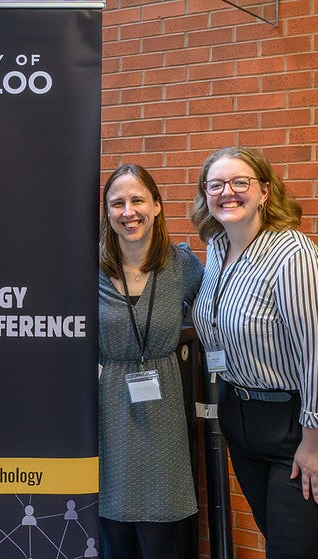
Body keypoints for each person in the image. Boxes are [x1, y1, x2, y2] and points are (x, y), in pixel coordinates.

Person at [190, 147, 318, 558]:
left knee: (294, 550)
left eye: (241, 182)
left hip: (314, 417)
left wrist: (314, 442)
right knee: (281, 540)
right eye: (216, 184)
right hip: (247, 416)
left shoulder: (294, 256)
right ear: (205, 194)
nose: (228, 192)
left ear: (265, 192)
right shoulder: (218, 248)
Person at [98, 164, 203, 559]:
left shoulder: (182, 265)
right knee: (114, 538)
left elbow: (217, 315)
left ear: (157, 206)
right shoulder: (87, 269)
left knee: (163, 538)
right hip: (106, 408)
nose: (129, 211)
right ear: (107, 213)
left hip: (163, 413)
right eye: (117, 203)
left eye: (138, 200)